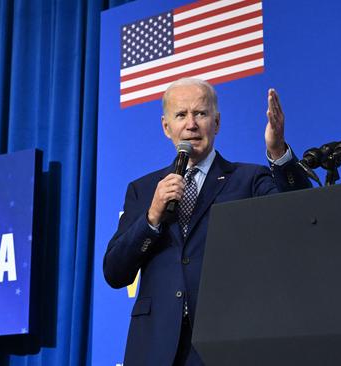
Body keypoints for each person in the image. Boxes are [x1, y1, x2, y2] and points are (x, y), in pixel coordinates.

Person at [103, 78, 311, 366]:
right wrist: (151, 217)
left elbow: (299, 217)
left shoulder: (248, 179)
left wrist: (277, 152)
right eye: (181, 115)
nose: (191, 124)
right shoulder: (143, 189)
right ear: (166, 127)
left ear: (217, 123)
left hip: (224, 340)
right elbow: (115, 272)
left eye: (200, 113)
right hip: (154, 347)